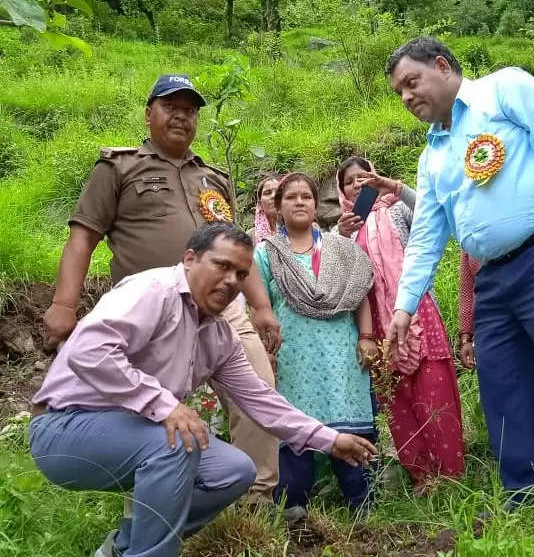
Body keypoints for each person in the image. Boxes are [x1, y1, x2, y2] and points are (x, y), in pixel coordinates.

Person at [29, 223, 377, 557]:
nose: (231, 281)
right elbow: (89, 350)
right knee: (180, 440)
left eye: (241, 274)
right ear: (190, 258)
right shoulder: (153, 291)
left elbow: (262, 402)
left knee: (234, 471)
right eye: (222, 265)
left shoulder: (218, 335)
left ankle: (126, 547)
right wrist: (163, 405)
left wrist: (330, 440)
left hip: (136, 437)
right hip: (65, 428)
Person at [40, 75, 283, 506]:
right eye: (171, 107)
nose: (181, 117)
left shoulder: (214, 177)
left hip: (222, 311)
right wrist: (64, 305)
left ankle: (254, 499)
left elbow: (239, 248)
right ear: (149, 114)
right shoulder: (119, 168)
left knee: (258, 390)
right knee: (153, 414)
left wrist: (261, 307)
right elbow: (82, 239)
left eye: (190, 111)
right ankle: (156, 507)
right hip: (150, 317)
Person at [383, 37, 534, 506]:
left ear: (442, 66)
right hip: (493, 278)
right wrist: (404, 307)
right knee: (501, 383)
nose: (406, 97)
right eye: (399, 91)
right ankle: (524, 490)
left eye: (411, 82)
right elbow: (426, 236)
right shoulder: (432, 156)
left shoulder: (504, 89)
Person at [336, 156, 465, 493]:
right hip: (375, 322)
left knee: (434, 387)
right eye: (349, 181)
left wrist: (393, 186)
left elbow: (434, 211)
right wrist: (342, 236)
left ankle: (451, 473)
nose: (357, 184)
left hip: (417, 310)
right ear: (341, 189)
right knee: (397, 399)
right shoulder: (344, 229)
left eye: (363, 176)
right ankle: (422, 475)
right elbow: (338, 278)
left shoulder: (397, 209)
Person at [253, 173, 378, 516]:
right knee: (294, 429)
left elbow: (360, 295)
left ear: (315, 204)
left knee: (349, 422)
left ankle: (363, 504)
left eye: (306, 196)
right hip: (292, 358)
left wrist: (366, 337)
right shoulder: (265, 255)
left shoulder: (341, 249)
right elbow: (257, 306)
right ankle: (295, 509)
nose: (299, 202)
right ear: (276, 208)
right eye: (290, 197)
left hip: (341, 356)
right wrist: (266, 354)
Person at [458, 250, 534, 462]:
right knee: (512, 392)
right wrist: (466, 336)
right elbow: (467, 290)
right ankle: (527, 469)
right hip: (496, 325)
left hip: (533, 315)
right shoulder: (470, 238)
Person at [248, 172, 283, 244]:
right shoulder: (250, 237)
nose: (273, 196)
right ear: (260, 204)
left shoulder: (300, 230)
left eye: (278, 192)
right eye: (267, 193)